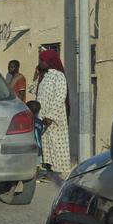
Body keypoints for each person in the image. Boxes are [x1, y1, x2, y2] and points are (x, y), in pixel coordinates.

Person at [35, 49, 71, 177]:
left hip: (54, 116)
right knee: (46, 145)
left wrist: (50, 116)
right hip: (42, 115)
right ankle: (49, 171)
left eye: (42, 60)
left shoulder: (58, 76)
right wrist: (37, 75)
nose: (40, 63)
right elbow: (34, 90)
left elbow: (60, 96)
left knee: (56, 144)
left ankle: (60, 171)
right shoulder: (44, 76)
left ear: (49, 61)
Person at [26, 99, 48, 180]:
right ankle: (36, 178)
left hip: (29, 146)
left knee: (29, 163)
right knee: (37, 164)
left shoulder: (26, 121)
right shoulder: (39, 122)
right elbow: (42, 131)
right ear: (38, 111)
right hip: (38, 147)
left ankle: (29, 178)